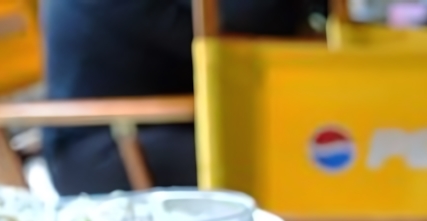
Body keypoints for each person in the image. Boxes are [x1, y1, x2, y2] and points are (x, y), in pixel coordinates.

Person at [41, 0, 311, 195]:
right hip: (101, 146)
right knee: (286, 156)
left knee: (306, 136)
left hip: (160, 125)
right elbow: (226, 30)